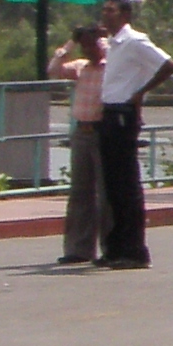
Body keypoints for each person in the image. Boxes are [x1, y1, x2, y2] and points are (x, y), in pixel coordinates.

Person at [93, 0, 169, 270]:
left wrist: (139, 93)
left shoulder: (134, 41)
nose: (106, 15)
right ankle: (115, 247)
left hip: (124, 113)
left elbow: (167, 65)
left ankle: (135, 249)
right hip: (109, 112)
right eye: (104, 10)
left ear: (125, 14)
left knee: (127, 184)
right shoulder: (113, 44)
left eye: (111, 11)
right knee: (112, 184)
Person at [51, 21, 107, 265]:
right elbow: (53, 70)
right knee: (80, 192)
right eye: (84, 46)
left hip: (102, 131)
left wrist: (103, 42)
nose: (87, 50)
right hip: (81, 132)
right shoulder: (80, 67)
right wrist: (70, 44)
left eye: (91, 45)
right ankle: (78, 248)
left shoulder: (111, 67)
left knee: (105, 192)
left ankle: (109, 247)